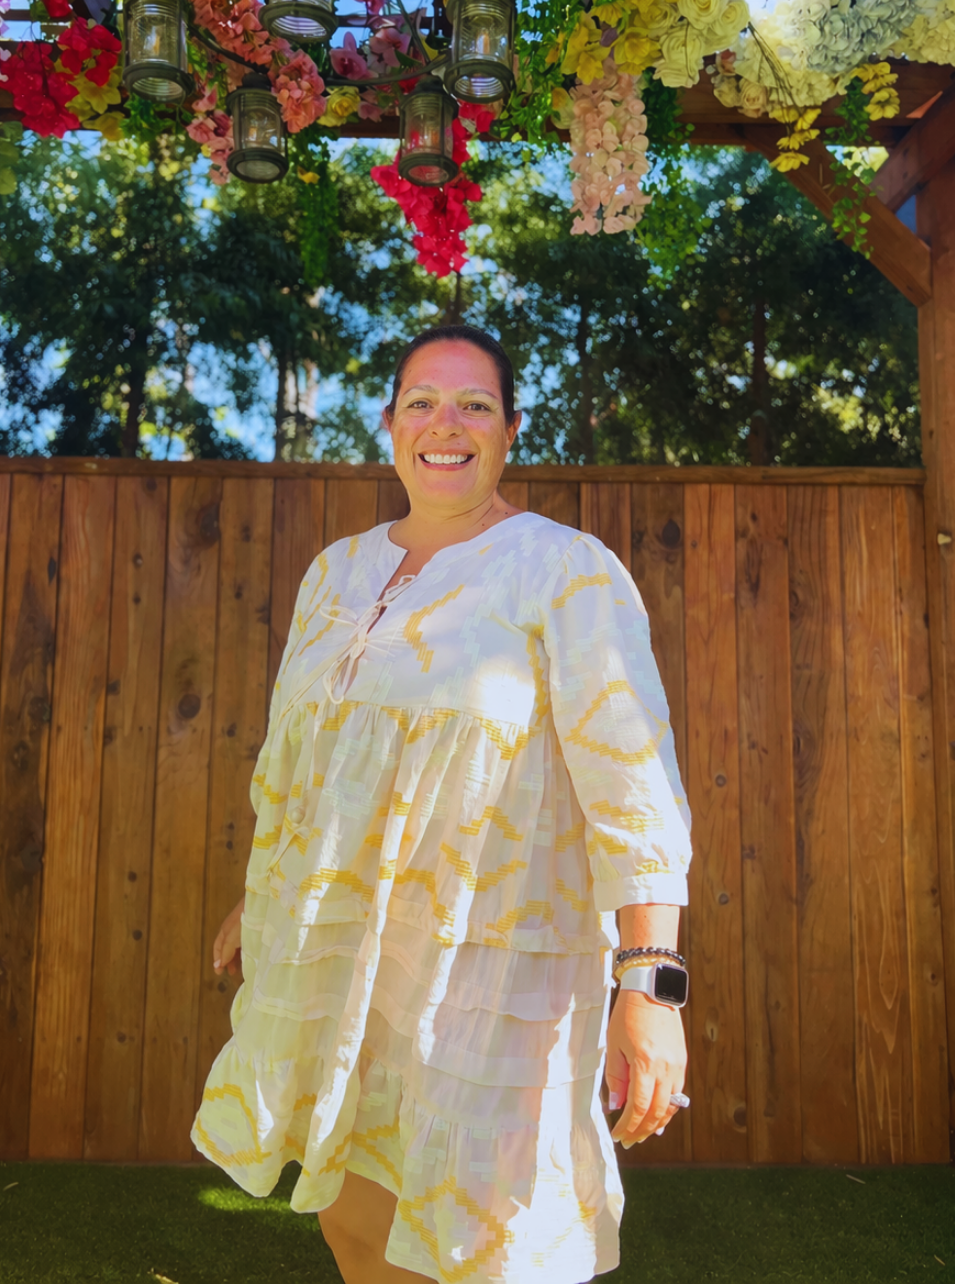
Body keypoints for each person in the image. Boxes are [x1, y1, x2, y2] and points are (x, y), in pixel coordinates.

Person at [193, 324, 693, 1284]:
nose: (446, 424)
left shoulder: (566, 569)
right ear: (389, 426)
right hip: (334, 951)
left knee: (481, 1248)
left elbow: (630, 779)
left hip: (491, 971)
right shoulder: (334, 573)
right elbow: (303, 760)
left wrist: (650, 980)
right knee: (350, 1213)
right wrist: (261, 895)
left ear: (510, 429)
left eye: (475, 404)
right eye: (422, 401)